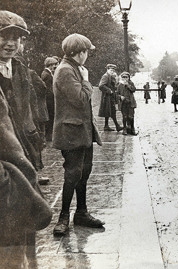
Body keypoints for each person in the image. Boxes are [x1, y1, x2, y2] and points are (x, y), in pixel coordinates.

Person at [0, 10, 52, 267]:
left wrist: (32, 137)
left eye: (16, 38)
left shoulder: (19, 68)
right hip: (5, 158)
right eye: (4, 37)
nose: (10, 43)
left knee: (27, 217)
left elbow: (26, 108)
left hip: (23, 150)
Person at [52, 33, 104, 236]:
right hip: (71, 132)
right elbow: (81, 99)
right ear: (79, 52)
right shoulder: (66, 71)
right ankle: (63, 217)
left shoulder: (72, 68)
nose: (87, 56)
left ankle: (81, 213)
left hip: (82, 131)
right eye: (86, 52)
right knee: (73, 174)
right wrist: (86, 80)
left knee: (83, 172)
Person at [98, 64, 123, 131]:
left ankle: (107, 126)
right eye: (111, 70)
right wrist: (109, 91)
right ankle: (117, 126)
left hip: (110, 97)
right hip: (107, 97)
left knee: (110, 111)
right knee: (111, 111)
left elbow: (113, 86)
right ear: (107, 69)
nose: (112, 72)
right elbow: (101, 86)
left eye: (113, 70)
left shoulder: (110, 76)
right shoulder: (105, 76)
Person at [41, 56, 58, 141]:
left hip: (49, 99)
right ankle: (48, 136)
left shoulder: (48, 73)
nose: (54, 66)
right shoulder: (46, 74)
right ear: (50, 65)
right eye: (54, 64)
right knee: (50, 117)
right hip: (49, 100)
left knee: (51, 117)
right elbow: (47, 89)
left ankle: (49, 135)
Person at [117, 71, 138, 135]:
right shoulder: (120, 85)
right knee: (124, 116)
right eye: (123, 77)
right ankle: (124, 129)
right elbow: (117, 94)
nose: (125, 78)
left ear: (129, 78)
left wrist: (128, 85)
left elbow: (133, 89)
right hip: (123, 103)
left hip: (130, 102)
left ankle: (132, 128)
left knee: (131, 116)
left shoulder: (131, 83)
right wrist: (120, 97)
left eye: (126, 77)